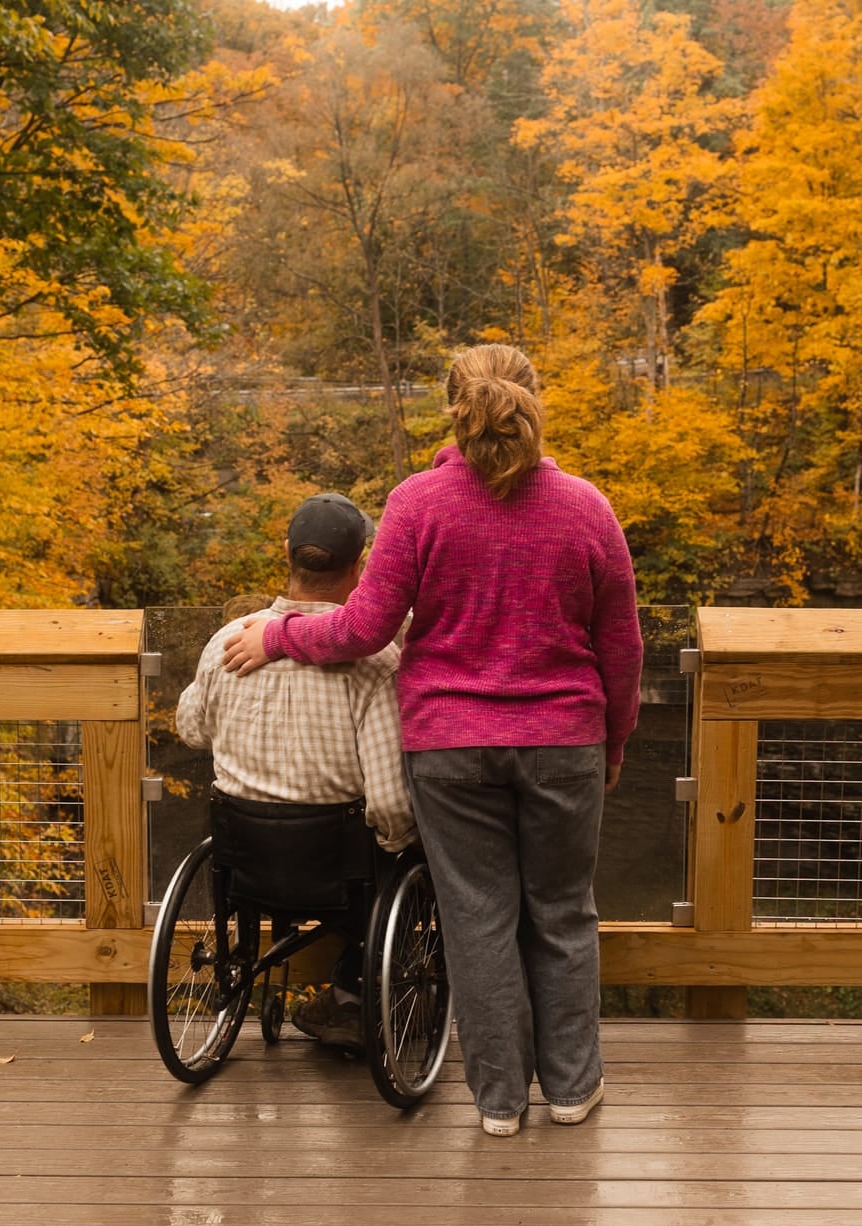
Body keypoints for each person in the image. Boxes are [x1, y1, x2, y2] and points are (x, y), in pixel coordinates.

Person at [223, 343, 641, 1136]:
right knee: (561, 914)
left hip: (448, 745)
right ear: (533, 401)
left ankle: (499, 1103)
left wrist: (279, 636)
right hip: (563, 740)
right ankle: (574, 1089)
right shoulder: (587, 507)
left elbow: (365, 626)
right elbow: (622, 646)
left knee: (476, 919)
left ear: (452, 406)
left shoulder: (418, 504)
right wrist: (614, 741)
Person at [176, 493, 415, 1050]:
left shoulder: (229, 640)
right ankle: (354, 994)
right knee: (407, 848)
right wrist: (406, 843)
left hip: (246, 858)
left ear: (287, 552)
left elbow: (191, 729)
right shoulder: (376, 662)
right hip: (338, 870)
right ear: (359, 566)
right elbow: (388, 805)